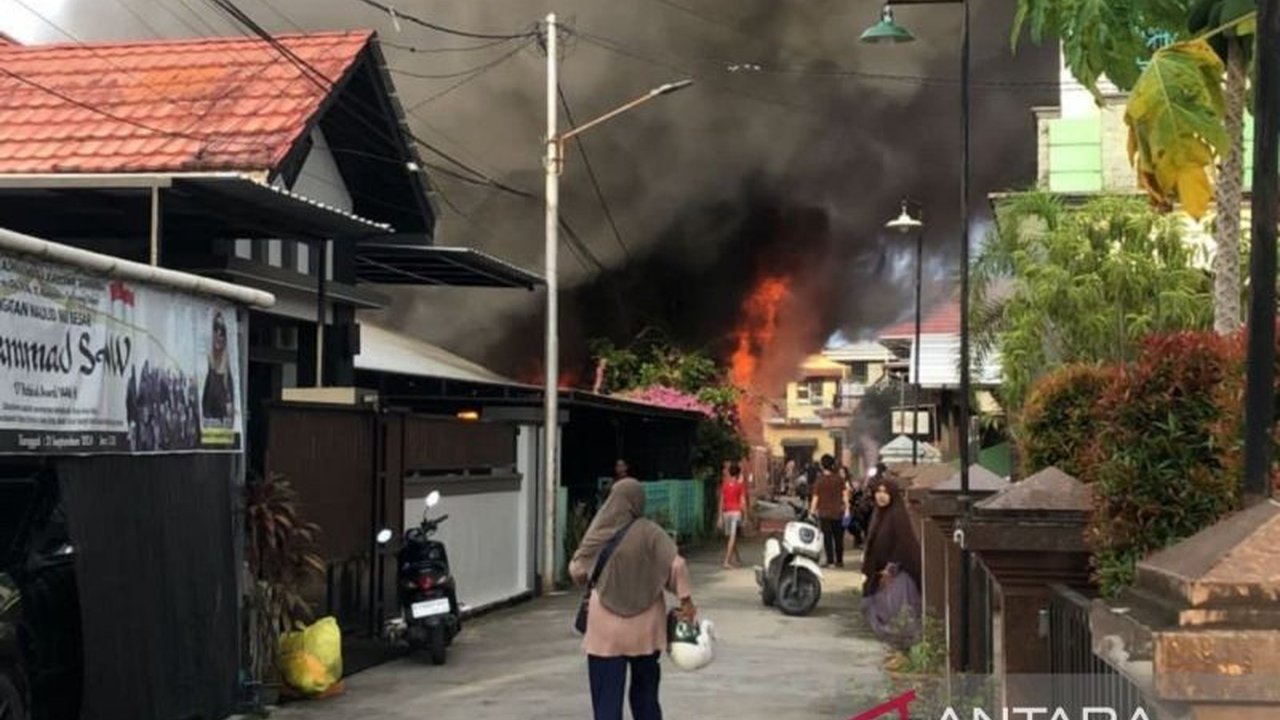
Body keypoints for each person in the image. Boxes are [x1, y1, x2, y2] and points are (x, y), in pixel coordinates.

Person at [570, 478, 697, 720]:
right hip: (645, 628)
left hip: (605, 629)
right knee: (646, 695)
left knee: (606, 697)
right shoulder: (651, 532)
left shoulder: (600, 529)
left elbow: (577, 569)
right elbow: (677, 566)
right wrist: (686, 602)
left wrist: (594, 581)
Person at [860, 476, 923, 648]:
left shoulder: (897, 516)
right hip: (882, 574)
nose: (881, 496)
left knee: (896, 619)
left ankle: (903, 652)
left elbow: (904, 546)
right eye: (878, 492)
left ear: (893, 495)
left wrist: (891, 569)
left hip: (897, 576)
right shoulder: (879, 514)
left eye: (886, 493)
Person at [808, 454, 848, 568]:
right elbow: (845, 495)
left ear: (822, 466)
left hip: (824, 514)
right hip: (838, 513)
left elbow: (815, 498)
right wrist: (847, 509)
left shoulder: (819, 481)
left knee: (827, 537)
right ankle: (839, 561)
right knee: (838, 537)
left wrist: (811, 512)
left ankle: (830, 561)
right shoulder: (840, 479)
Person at [201, 311, 234, 423]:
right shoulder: (206, 359)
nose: (219, 336)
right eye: (216, 330)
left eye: (222, 333)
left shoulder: (227, 364)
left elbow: (228, 395)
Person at [718, 462, 749, 568]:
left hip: (726, 512)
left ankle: (736, 559)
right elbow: (743, 502)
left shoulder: (725, 485)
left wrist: (719, 517)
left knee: (731, 537)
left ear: (730, 473)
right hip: (736, 512)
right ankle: (727, 561)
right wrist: (746, 516)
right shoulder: (740, 486)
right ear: (738, 474)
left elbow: (721, 501)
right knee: (732, 537)